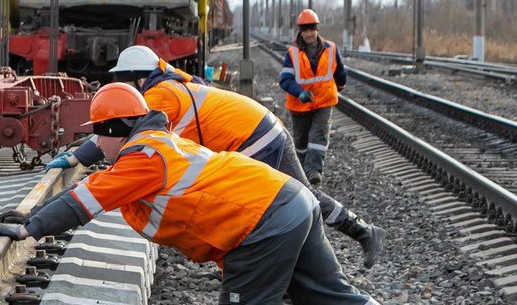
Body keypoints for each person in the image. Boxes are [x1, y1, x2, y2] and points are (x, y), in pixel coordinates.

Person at [0, 83, 456, 305]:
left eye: (99, 137)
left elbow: (82, 203)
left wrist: (28, 226)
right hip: (291, 200)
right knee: (336, 297)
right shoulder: (160, 141)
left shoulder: (141, 158)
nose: (97, 147)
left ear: (115, 130)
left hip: (262, 222)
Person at [79, 45, 382, 267]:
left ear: (136, 78)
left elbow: (118, 132)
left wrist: (76, 158)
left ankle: (326, 260)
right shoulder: (169, 85)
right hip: (259, 131)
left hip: (255, 139)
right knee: (299, 199)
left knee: (286, 204)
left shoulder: (158, 96)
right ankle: (355, 236)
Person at [279, 9, 346, 186]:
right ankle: (301, 169)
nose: (309, 33)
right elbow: (284, 80)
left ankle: (313, 171)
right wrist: (299, 92)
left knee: (319, 135)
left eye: (311, 29)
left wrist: (340, 85)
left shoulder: (330, 48)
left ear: (317, 29)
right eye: (305, 30)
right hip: (299, 105)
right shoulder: (292, 53)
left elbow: (340, 72)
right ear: (300, 31)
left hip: (324, 101)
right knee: (301, 141)